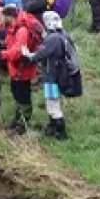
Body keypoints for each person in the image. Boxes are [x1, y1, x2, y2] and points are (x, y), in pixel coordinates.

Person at [23, 11, 73, 140]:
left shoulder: (53, 38)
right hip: (62, 75)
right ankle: (52, 128)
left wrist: (28, 54)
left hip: (52, 77)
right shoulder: (64, 35)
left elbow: (41, 55)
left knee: (52, 106)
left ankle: (61, 134)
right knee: (54, 103)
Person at [0, 2, 43, 134]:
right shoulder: (14, 28)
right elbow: (11, 45)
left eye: (3, 16)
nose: (2, 19)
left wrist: (2, 54)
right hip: (17, 68)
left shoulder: (22, 30)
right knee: (16, 92)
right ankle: (17, 121)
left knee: (23, 95)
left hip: (22, 68)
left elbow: (18, 51)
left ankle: (22, 124)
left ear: (9, 16)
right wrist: (0, 46)